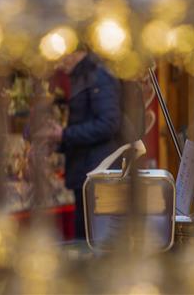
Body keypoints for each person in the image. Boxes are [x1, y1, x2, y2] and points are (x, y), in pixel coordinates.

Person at [40, 48, 132, 240]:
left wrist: (64, 134)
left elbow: (108, 124)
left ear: (75, 51)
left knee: (96, 239)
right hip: (88, 172)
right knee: (88, 236)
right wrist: (59, 140)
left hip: (98, 174)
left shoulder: (98, 76)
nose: (59, 62)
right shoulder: (85, 77)